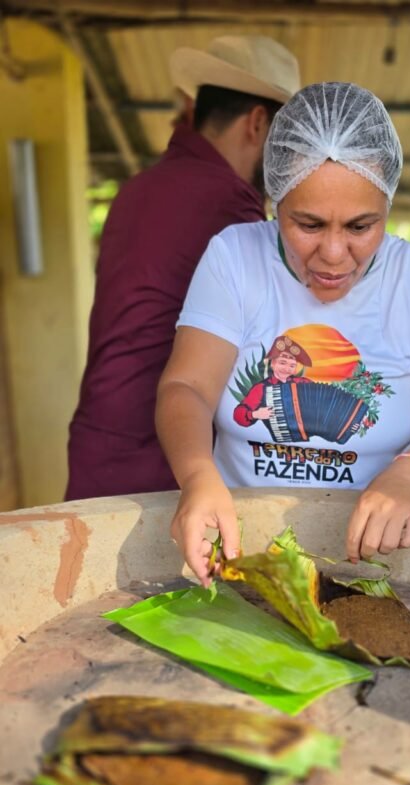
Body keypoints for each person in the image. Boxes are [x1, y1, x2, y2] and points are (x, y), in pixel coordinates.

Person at [155, 81, 410, 586]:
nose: (332, 253)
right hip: (241, 551)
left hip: (371, 556)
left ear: (388, 208)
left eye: (360, 226)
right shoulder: (234, 257)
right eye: (308, 224)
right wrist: (197, 476)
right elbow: (187, 387)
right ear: (274, 203)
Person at [65, 35, 300, 499]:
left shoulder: (138, 189)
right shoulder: (230, 207)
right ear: (257, 123)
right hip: (165, 454)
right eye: (286, 139)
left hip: (100, 439)